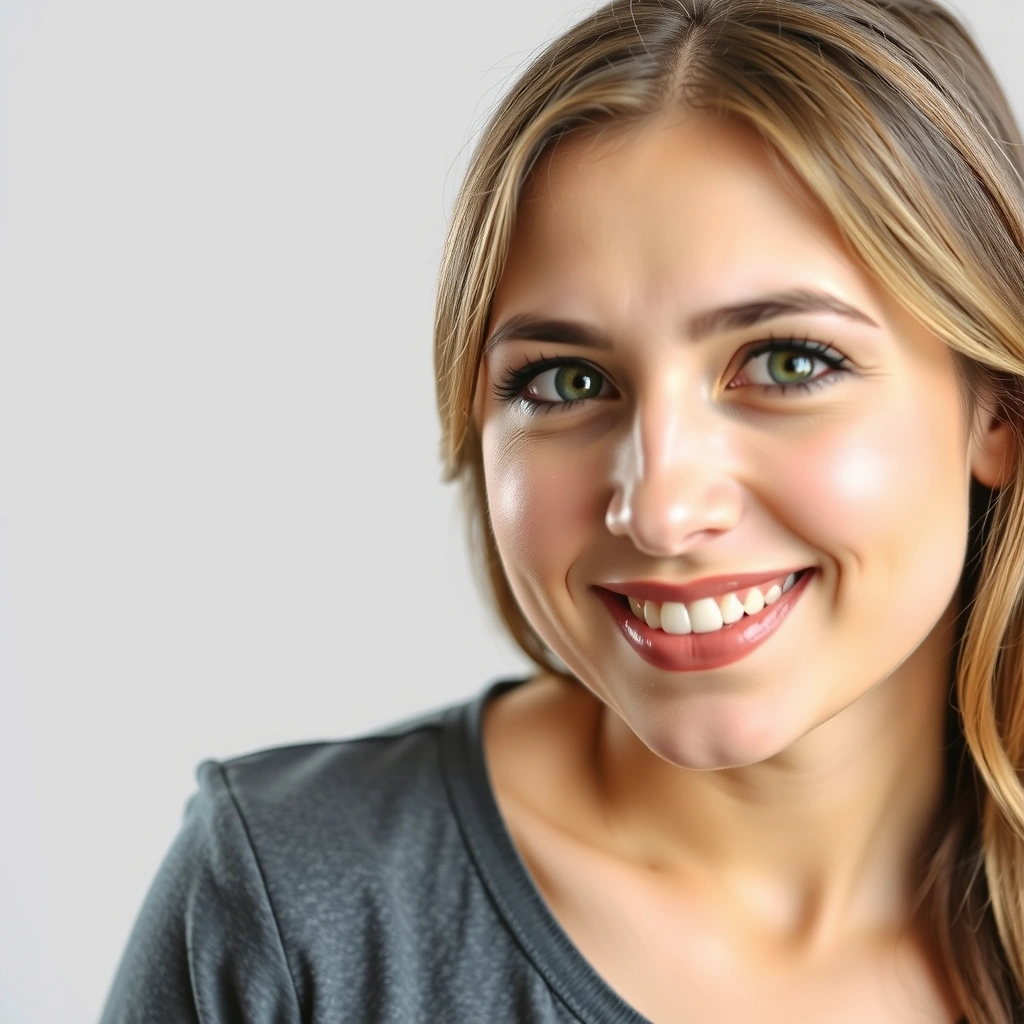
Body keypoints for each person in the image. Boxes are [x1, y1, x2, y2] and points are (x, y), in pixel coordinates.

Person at [99, 0, 1024, 1021]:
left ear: (997, 407)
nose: (660, 510)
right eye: (567, 382)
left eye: (787, 363)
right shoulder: (294, 915)